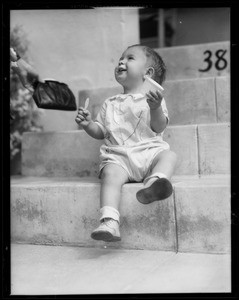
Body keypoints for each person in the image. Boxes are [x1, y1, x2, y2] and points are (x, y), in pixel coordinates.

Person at [75, 44, 177, 242]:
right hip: (119, 158)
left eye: (130, 58)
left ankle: (155, 182)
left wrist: (155, 108)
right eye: (121, 58)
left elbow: (159, 127)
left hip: (148, 153)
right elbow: (101, 131)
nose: (121, 61)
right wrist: (88, 124)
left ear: (147, 73)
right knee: (110, 174)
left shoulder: (153, 99)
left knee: (169, 155)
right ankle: (110, 221)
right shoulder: (110, 103)